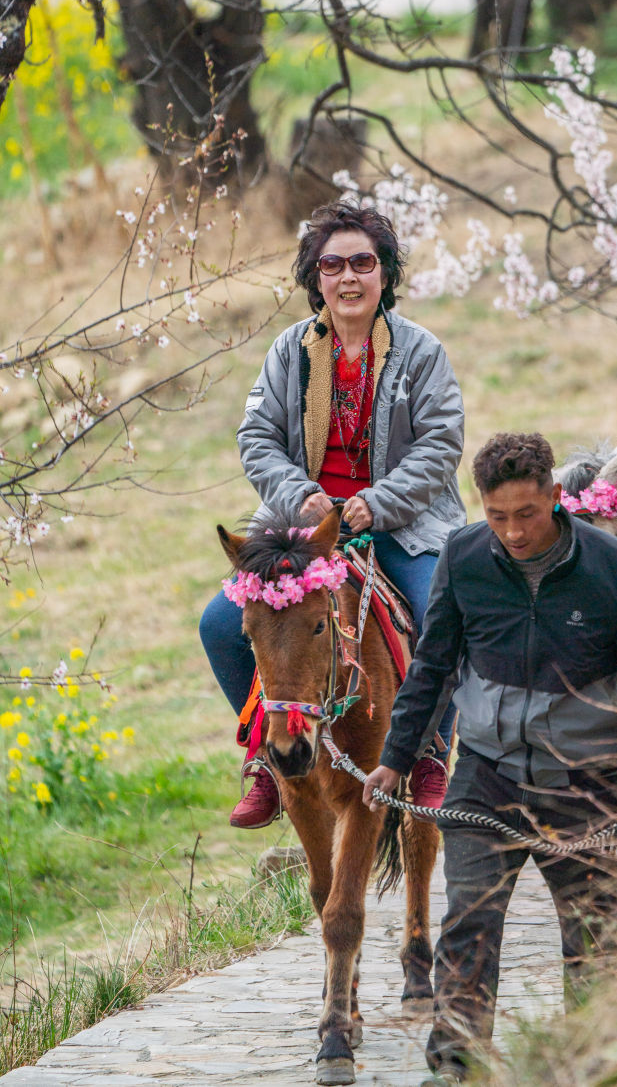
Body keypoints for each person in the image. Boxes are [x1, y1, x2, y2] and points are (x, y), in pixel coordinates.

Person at [363, 432, 617, 1087]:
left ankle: (598, 1062)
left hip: (584, 782)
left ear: (556, 497)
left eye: (527, 514)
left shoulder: (615, 567)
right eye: (498, 515)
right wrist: (396, 757)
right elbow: (432, 666)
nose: (513, 532)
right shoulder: (463, 556)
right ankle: (457, 1067)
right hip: (486, 774)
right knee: (468, 923)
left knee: (592, 934)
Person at [200, 201, 466, 828]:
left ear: (384, 273)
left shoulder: (421, 351)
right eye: (333, 265)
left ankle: (430, 753)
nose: (349, 277)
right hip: (303, 531)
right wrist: (301, 495)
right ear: (314, 277)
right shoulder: (289, 352)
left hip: (402, 525)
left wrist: (377, 502)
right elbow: (256, 437)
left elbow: (441, 443)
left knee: (442, 614)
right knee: (220, 624)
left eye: (363, 263)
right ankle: (267, 758)